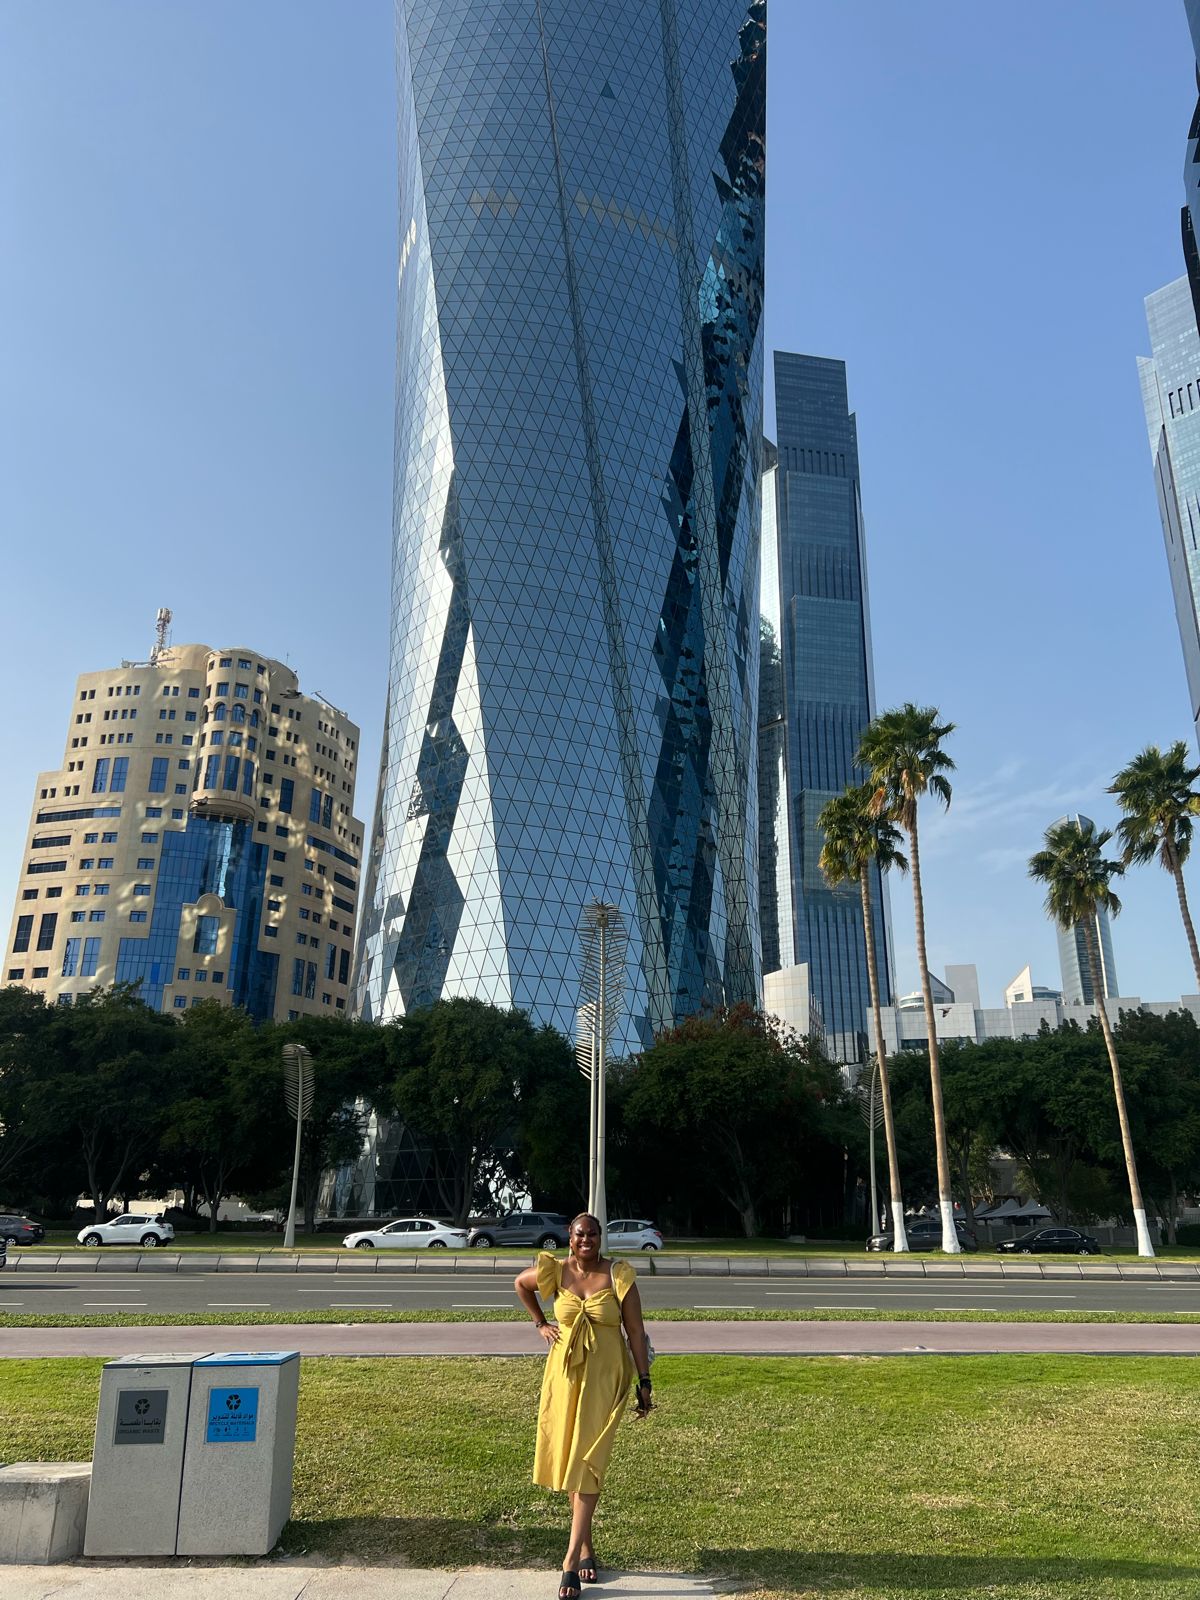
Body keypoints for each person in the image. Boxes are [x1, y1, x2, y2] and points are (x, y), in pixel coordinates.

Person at [514, 1212, 653, 1599]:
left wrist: (645, 1380)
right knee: (573, 1459)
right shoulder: (554, 1271)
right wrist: (540, 1323)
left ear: (600, 1237)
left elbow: (636, 1332)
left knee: (590, 1458)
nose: (586, 1240)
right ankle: (588, 1547)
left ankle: (570, 1562)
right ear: (569, 1238)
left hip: (606, 1378)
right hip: (564, 1376)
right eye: (580, 1234)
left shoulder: (619, 1276)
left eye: (593, 1234)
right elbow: (520, 1286)